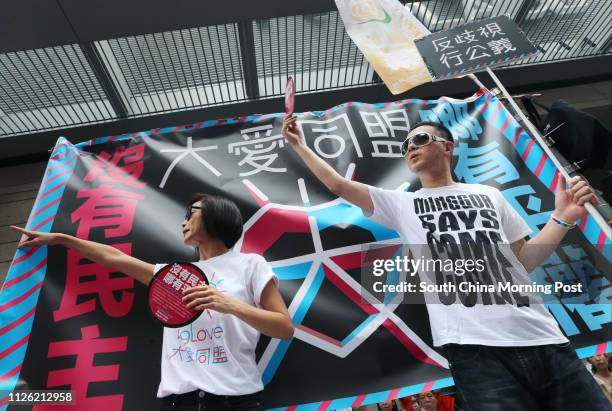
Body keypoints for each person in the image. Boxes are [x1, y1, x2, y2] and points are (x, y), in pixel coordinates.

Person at [281, 115, 609, 410]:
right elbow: (337, 184)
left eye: (420, 139)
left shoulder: (489, 195)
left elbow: (522, 261)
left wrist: (562, 220)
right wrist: (299, 145)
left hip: (545, 338)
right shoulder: (401, 204)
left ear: (447, 147)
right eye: (406, 144)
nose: (411, 147)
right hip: (475, 352)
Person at [11, 193, 294, 411]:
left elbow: (284, 327)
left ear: (217, 215)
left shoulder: (249, 265)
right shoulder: (173, 275)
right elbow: (116, 258)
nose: (183, 222)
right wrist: (62, 239)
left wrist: (228, 304)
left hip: (237, 399)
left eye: (191, 214)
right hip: (177, 401)